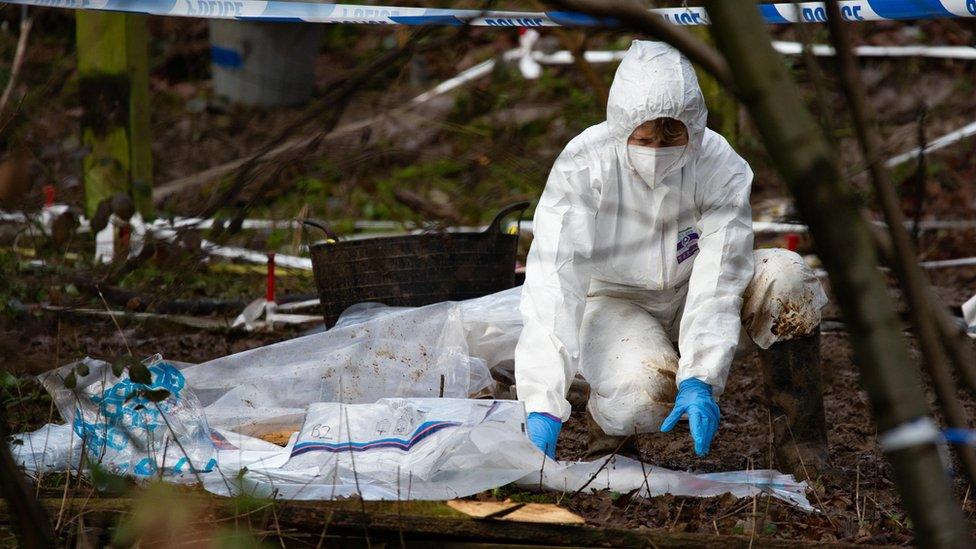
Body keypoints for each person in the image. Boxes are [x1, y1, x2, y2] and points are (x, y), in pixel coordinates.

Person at [515, 41, 828, 465]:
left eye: (672, 134)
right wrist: (541, 401)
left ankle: (802, 450)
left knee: (787, 277)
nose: (658, 149)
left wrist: (699, 377)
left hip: (692, 291)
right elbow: (555, 280)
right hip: (614, 301)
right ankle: (608, 438)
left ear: (694, 126)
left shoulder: (718, 164)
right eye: (644, 137)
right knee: (643, 392)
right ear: (621, 123)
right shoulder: (584, 164)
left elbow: (720, 273)